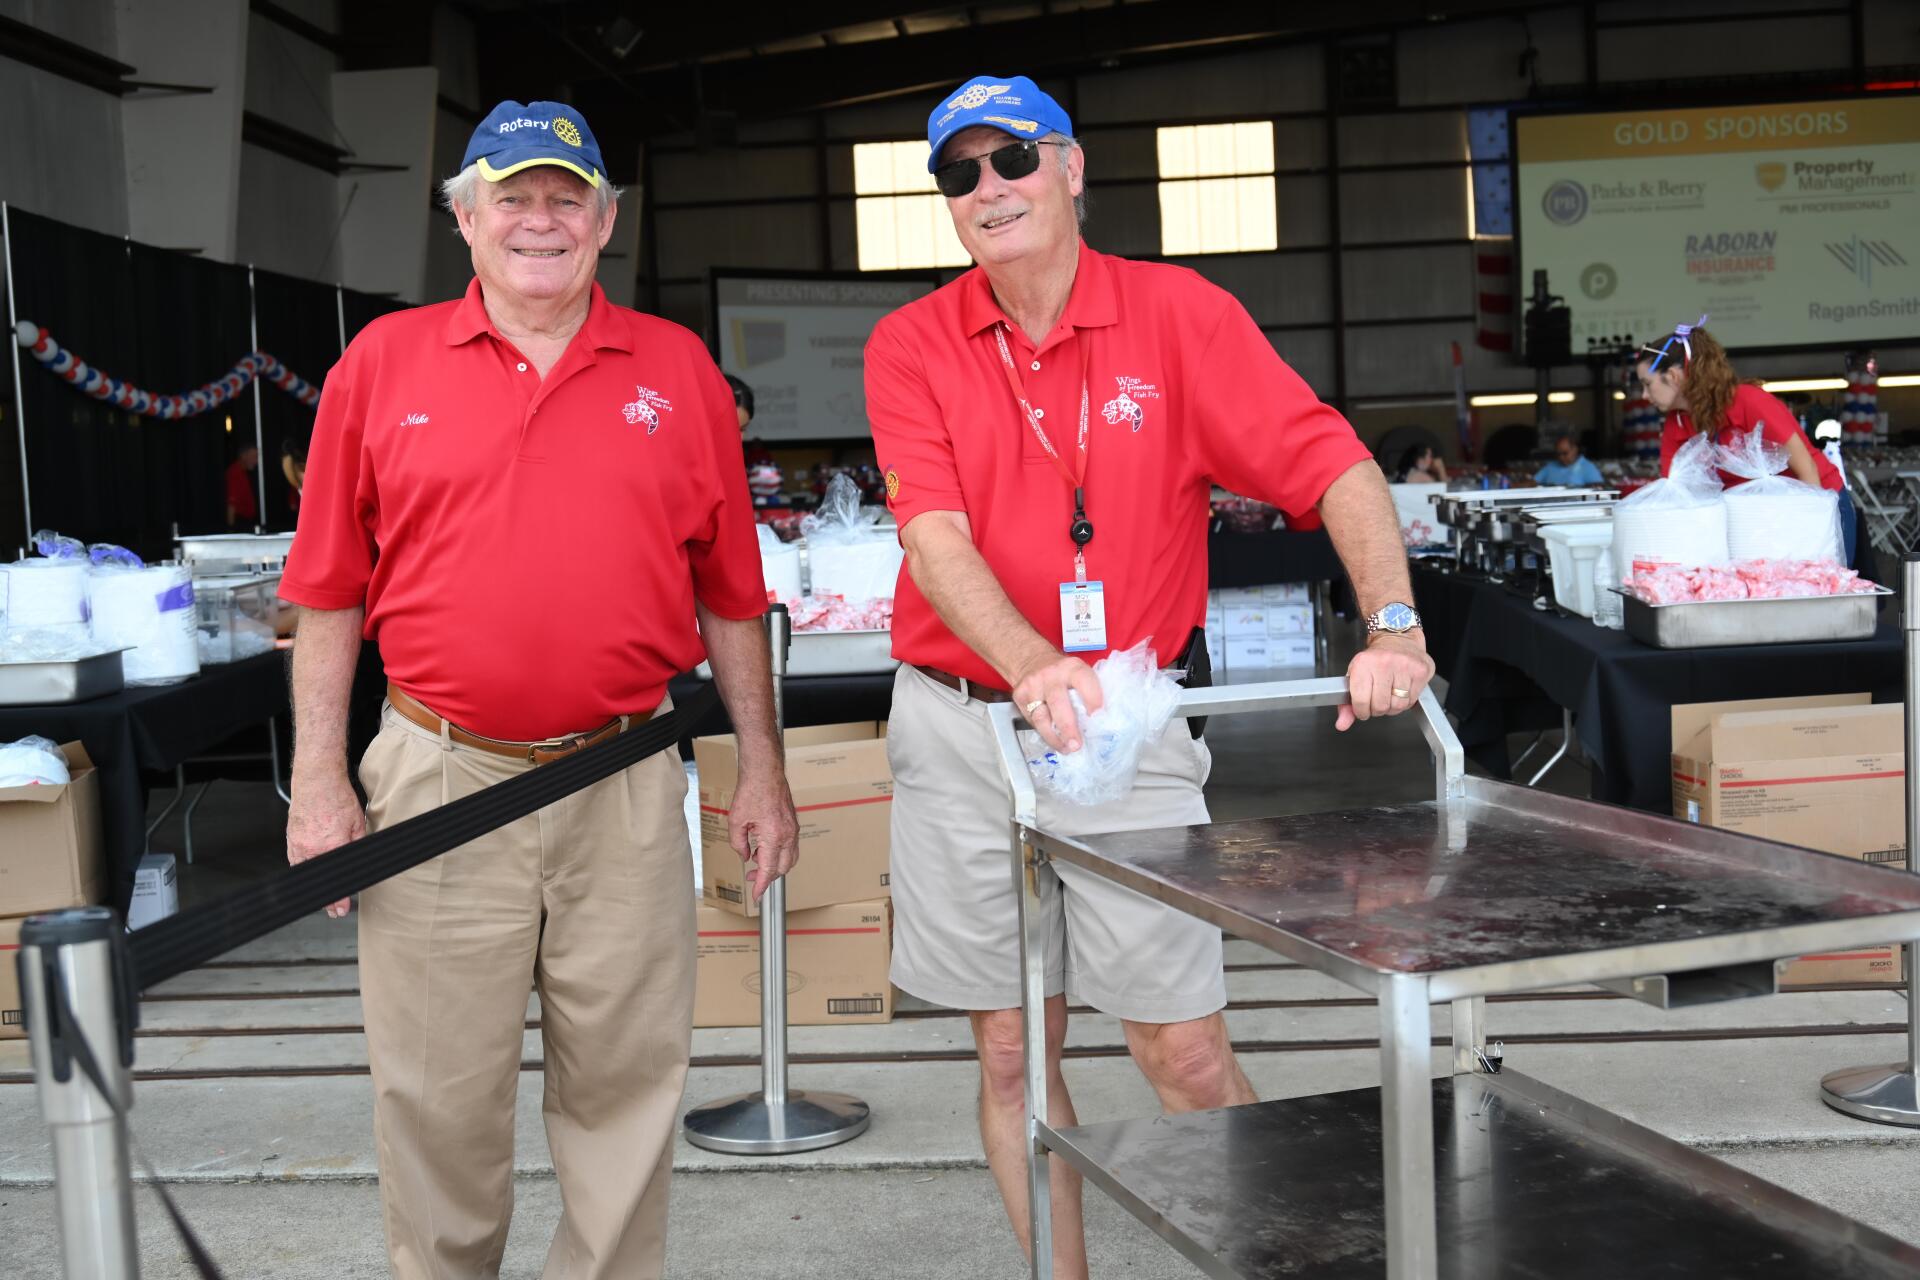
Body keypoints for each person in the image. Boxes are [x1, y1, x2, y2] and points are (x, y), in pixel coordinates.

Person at [864, 74, 1435, 1279]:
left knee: (1178, 1047)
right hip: (967, 724)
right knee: (1015, 1050)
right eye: (958, 174)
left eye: (1011, 158)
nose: (989, 189)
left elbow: (1333, 464)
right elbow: (934, 534)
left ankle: (1278, 1260)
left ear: (1071, 168)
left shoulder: (1180, 316)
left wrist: (1393, 624)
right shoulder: (912, 343)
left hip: (1126, 721)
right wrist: (1027, 662)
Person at [279, 98, 798, 1280]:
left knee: (625, 1085)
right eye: (512, 196)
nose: (541, 220)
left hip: (623, 778)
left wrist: (760, 771)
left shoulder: (678, 372)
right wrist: (318, 780)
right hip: (438, 776)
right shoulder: (382, 364)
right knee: (435, 1094)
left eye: (568, 196)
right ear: (464, 218)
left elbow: (731, 596)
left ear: (607, 220)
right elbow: (326, 593)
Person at [1639, 322, 1857, 567]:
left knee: (1820, 588)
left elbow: (1806, 468)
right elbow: (1674, 495)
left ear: (1674, 377)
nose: (1644, 396)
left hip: (1816, 504)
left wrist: (1813, 533)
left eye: (1647, 384)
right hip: (1755, 521)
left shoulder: (1747, 401)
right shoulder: (1675, 424)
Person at [1534, 427, 1603, 487]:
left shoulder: (1588, 468)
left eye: (1565, 453)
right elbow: (1534, 481)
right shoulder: (1550, 466)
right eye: (1558, 454)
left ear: (1575, 449)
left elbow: (1597, 490)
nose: (1561, 457)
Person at [225, 442, 260, 529]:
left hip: (246, 522)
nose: (256, 461)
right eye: (253, 457)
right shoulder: (235, 473)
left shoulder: (244, 473)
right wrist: (232, 530)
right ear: (243, 456)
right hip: (240, 524)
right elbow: (231, 505)